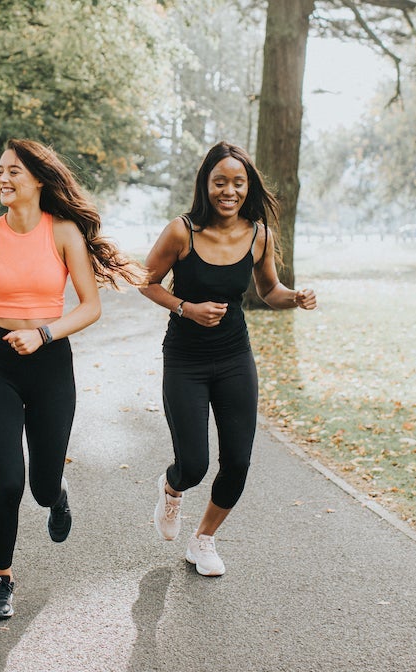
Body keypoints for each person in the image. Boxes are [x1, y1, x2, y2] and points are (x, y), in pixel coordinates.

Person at [0, 139, 140, 619]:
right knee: (9, 481)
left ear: (37, 178)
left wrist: (44, 334)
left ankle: (57, 495)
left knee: (40, 486)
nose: (3, 179)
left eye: (14, 171)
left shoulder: (64, 234)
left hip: (51, 363)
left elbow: (91, 306)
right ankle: (2, 580)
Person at [139, 141, 317, 577]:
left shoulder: (259, 234)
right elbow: (146, 281)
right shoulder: (182, 231)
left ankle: (203, 540)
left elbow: (269, 290)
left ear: (248, 186)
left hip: (235, 357)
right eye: (220, 181)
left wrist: (294, 297)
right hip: (185, 360)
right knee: (194, 464)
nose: (229, 190)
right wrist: (186, 308)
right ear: (206, 184)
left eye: (238, 182)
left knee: (237, 461)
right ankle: (172, 487)